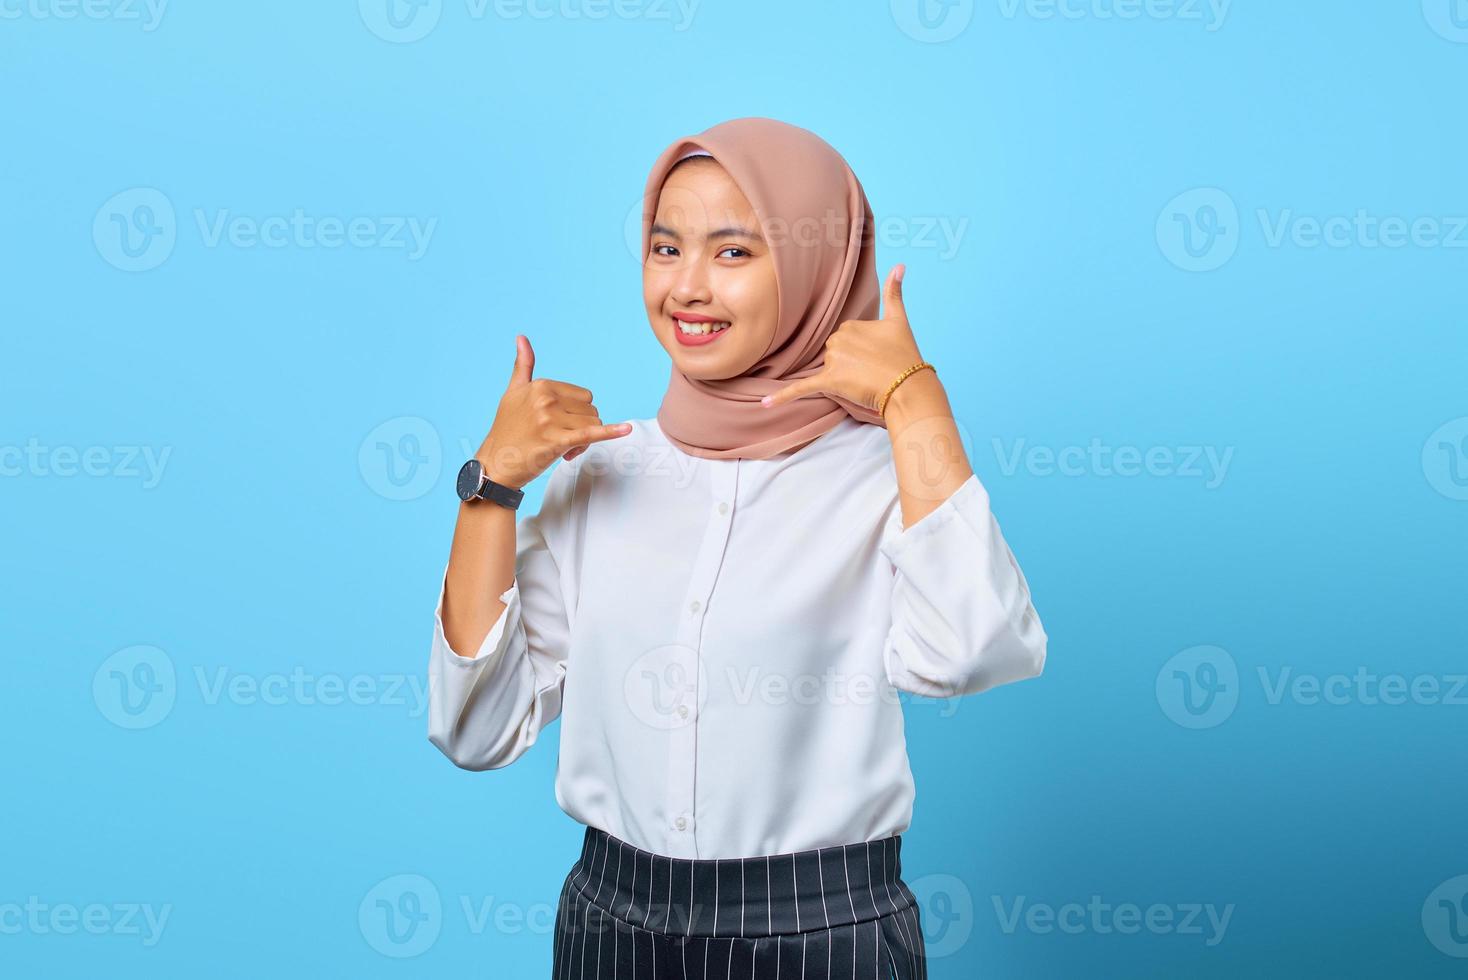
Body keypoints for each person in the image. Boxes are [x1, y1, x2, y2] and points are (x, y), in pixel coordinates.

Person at [426, 116, 1048, 979]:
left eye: (733, 253)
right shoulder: (597, 472)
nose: (686, 288)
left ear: (814, 269)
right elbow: (475, 730)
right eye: (664, 246)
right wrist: (490, 491)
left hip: (825, 933)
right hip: (612, 927)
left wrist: (916, 406)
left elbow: (977, 652)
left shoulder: (887, 474)